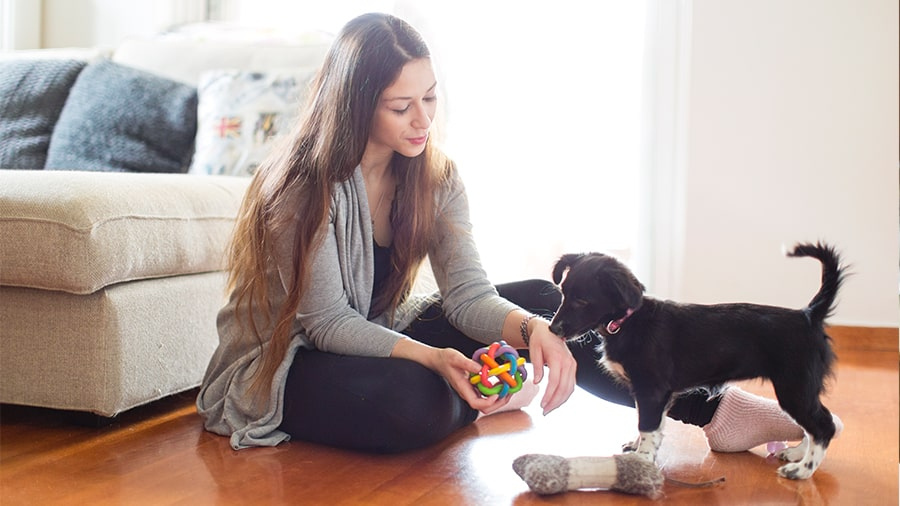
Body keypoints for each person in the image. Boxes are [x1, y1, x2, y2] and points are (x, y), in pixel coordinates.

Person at [197, 12, 839, 454]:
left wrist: (534, 334)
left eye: (431, 97)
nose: (423, 121)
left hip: (381, 333)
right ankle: (485, 391)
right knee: (409, 406)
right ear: (354, 104)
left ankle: (714, 411)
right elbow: (330, 322)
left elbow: (470, 295)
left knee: (539, 301)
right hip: (291, 358)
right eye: (401, 106)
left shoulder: (434, 177)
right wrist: (433, 357)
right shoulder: (300, 188)